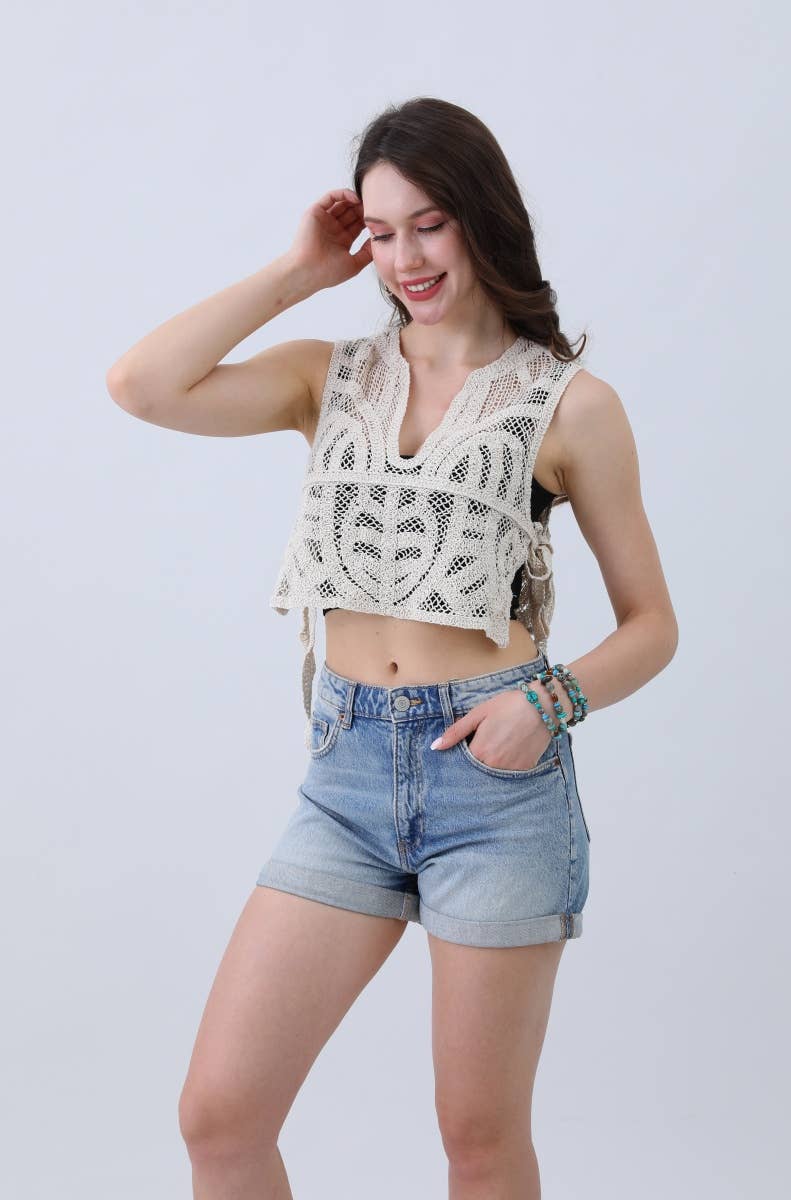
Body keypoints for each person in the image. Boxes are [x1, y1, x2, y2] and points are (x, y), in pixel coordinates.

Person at [107, 97, 678, 1200]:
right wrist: (295, 273)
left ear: (481, 216)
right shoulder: (327, 376)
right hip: (347, 777)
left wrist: (547, 704)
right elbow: (142, 385)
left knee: (478, 1140)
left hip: (496, 786)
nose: (405, 259)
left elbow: (652, 623)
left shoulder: (570, 406)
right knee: (219, 1117)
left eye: (429, 224)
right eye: (380, 232)